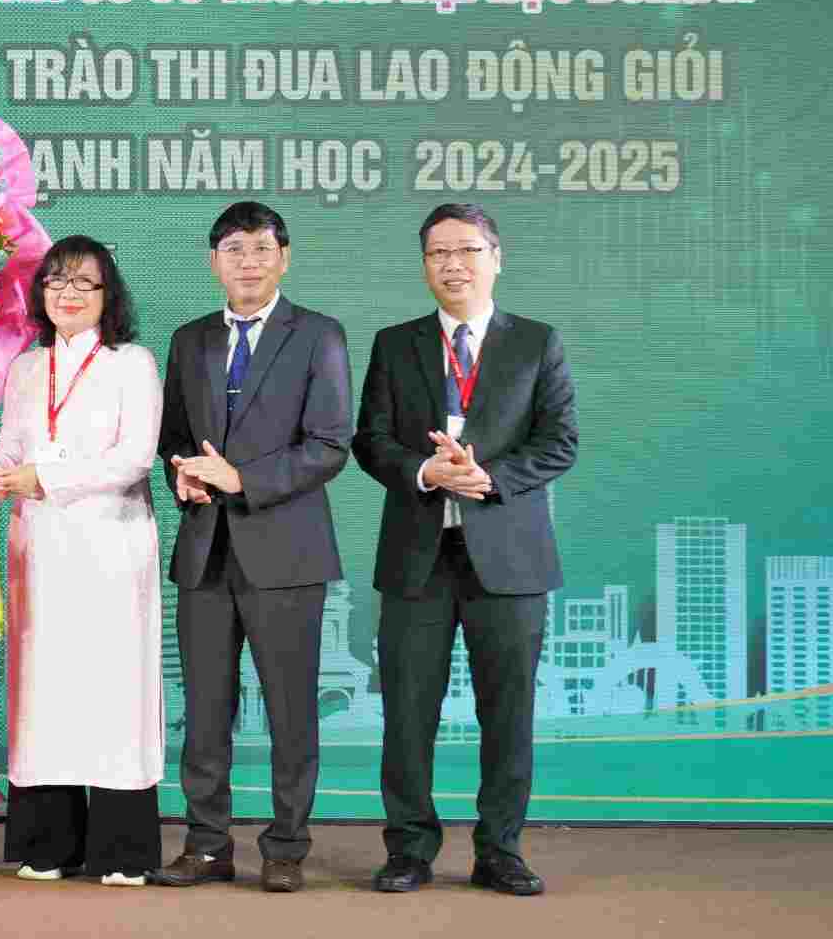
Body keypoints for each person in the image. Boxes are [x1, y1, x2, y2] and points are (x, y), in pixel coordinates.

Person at [355, 202, 577, 897]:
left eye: (467, 250)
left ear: (496, 257)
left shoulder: (537, 342)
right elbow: (372, 438)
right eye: (438, 253)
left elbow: (560, 440)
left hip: (508, 559)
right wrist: (424, 472)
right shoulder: (396, 344)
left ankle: (501, 850)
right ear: (424, 265)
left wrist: (491, 476)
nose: (453, 264)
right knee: (408, 712)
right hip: (419, 555)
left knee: (507, 713)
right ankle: (409, 849)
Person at [155, 201, 353, 893]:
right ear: (213, 262)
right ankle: (207, 844)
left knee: (291, 711)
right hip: (206, 551)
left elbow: (330, 445)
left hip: (287, 552)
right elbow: (174, 436)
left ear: (284, 257)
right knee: (204, 712)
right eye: (233, 249)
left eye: (261, 248)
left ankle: (286, 847)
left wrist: (242, 478)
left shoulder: (319, 336)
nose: (247, 260)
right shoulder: (190, 340)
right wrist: (185, 478)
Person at [0, 236, 163, 887]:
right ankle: (49, 844)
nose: (69, 294)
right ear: (39, 293)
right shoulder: (26, 368)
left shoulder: (132, 363)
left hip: (110, 545)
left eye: (85, 283)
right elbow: (7, 452)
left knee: (112, 693)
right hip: (40, 548)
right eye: (56, 282)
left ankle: (122, 850)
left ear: (110, 298)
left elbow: (133, 459)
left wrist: (43, 479)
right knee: (44, 692)